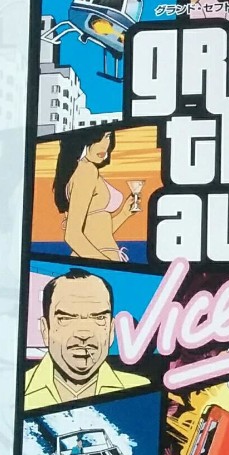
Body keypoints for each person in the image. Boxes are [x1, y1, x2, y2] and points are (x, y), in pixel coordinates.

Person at [23, 269, 149, 412]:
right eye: (66, 318)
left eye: (99, 318)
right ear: (45, 329)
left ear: (111, 330)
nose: (84, 334)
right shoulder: (17, 390)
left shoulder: (140, 389)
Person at [53, 126, 135, 261]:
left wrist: (124, 214)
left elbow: (97, 233)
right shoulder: (87, 171)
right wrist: (106, 266)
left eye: (108, 136)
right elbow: (72, 235)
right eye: (97, 139)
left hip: (96, 256)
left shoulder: (80, 171)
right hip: (99, 259)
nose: (104, 144)